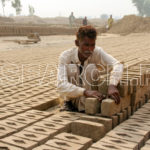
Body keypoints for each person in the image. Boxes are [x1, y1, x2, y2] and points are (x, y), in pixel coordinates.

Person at [57, 25, 123, 112]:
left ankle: (88, 106)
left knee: (90, 68)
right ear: (77, 43)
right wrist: (84, 92)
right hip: (74, 96)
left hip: (91, 97)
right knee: (72, 68)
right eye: (86, 45)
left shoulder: (97, 52)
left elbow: (118, 64)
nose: (90, 49)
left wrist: (112, 84)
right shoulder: (66, 56)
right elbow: (61, 85)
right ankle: (68, 103)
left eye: (92, 45)